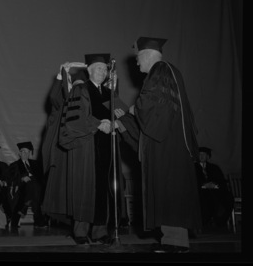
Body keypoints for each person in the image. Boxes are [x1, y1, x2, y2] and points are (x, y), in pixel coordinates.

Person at [117, 36, 202, 253]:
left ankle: (174, 242)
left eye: (138, 59)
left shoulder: (160, 71)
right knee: (171, 191)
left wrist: (137, 108)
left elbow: (153, 105)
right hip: (172, 142)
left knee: (168, 190)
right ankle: (173, 240)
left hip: (166, 146)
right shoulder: (171, 71)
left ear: (146, 56)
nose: (137, 64)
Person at [58, 54, 127, 245]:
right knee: (85, 187)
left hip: (106, 147)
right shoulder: (81, 89)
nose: (103, 72)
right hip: (86, 147)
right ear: (89, 71)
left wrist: (116, 124)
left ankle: (99, 231)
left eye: (105, 69)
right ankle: (80, 231)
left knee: (104, 189)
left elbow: (120, 116)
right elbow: (75, 119)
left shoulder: (108, 94)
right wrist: (98, 124)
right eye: (99, 68)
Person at [41, 62, 87, 227]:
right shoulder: (62, 104)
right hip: (63, 152)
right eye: (76, 86)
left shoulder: (87, 102)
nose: (79, 91)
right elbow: (54, 97)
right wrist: (62, 74)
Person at [8, 141, 48, 228]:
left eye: (27, 152)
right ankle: (38, 222)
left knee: (34, 184)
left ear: (30, 153)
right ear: (19, 153)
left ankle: (25, 206)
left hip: (34, 190)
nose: (25, 153)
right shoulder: (14, 165)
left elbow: (41, 178)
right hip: (20, 189)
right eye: (23, 151)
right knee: (34, 189)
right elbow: (11, 179)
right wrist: (22, 178)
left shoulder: (36, 164)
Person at [195, 146, 233, 228]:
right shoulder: (193, 167)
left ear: (208, 156)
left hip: (215, 191)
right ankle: (204, 222)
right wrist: (203, 185)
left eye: (204, 154)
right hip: (200, 192)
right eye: (199, 154)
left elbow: (221, 181)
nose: (201, 156)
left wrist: (215, 185)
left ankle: (220, 221)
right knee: (204, 198)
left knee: (228, 197)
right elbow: (191, 181)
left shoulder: (214, 168)